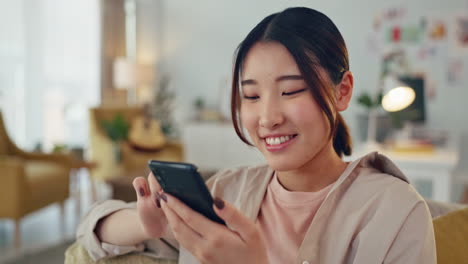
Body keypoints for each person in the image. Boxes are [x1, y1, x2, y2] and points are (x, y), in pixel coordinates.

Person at [77, 7, 436, 264]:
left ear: (342, 91)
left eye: (292, 90)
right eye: (250, 96)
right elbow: (91, 236)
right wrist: (145, 223)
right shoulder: (227, 192)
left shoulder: (394, 212)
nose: (267, 117)